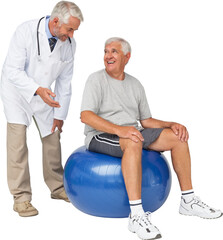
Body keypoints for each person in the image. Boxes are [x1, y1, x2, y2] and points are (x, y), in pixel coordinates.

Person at [80, 37, 222, 240]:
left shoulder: (135, 84)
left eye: (114, 52)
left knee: (178, 138)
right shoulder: (95, 80)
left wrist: (171, 124)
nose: (108, 56)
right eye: (105, 51)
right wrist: (120, 130)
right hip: (101, 135)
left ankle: (188, 201)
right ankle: (136, 215)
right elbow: (86, 116)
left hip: (132, 132)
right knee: (134, 140)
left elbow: (145, 121)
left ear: (127, 57)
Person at [0, 1, 83, 217]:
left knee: (52, 139)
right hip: (17, 93)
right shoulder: (25, 31)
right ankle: (21, 198)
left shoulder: (70, 44)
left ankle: (57, 188)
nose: (72, 35)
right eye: (70, 29)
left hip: (46, 96)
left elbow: (65, 82)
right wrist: (37, 89)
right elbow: (12, 70)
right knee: (17, 145)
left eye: (74, 30)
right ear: (56, 21)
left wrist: (61, 114)